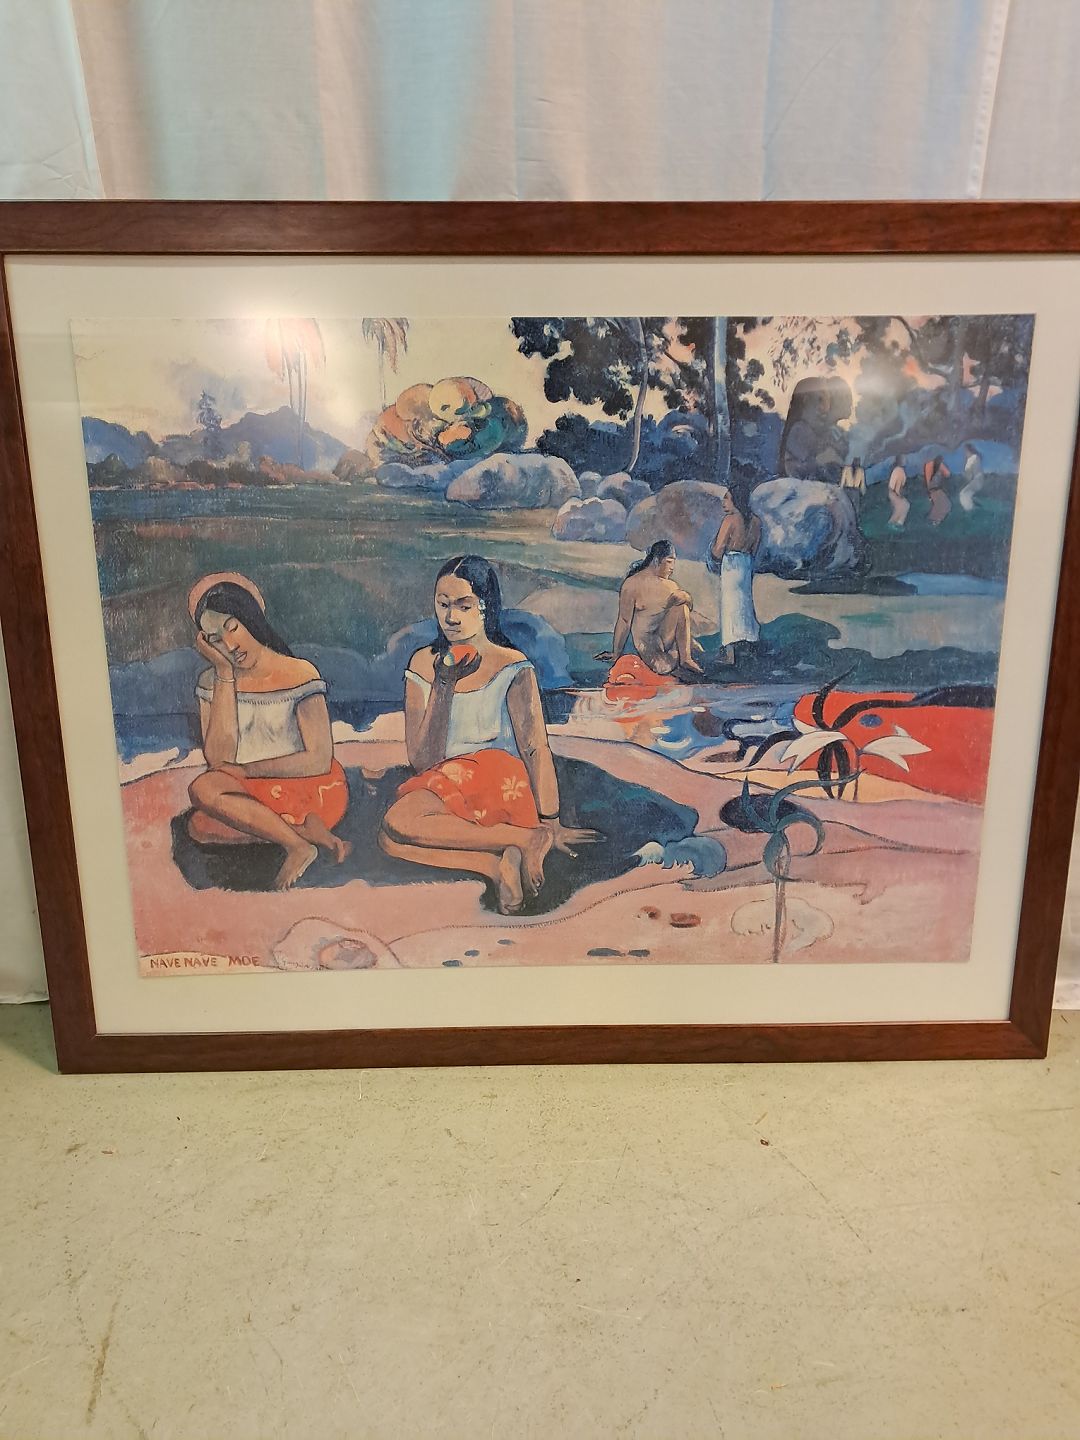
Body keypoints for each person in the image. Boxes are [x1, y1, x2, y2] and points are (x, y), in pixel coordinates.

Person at [379, 556, 598, 915]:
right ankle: (495, 863)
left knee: (396, 823)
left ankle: (527, 835)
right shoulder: (422, 663)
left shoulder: (511, 664)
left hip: (499, 778)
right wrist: (443, 687)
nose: (451, 617)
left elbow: (535, 748)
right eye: (443, 604)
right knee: (389, 840)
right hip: (445, 782)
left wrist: (551, 819)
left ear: (486, 607)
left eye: (464, 606)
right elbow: (422, 761)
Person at [187, 575, 349, 890]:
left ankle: (297, 845)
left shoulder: (300, 673)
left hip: (306, 785)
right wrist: (224, 674)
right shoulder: (211, 681)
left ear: (251, 618)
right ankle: (305, 835)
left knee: (206, 804)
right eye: (216, 639)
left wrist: (248, 770)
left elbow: (319, 759)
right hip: (249, 790)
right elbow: (219, 760)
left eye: (233, 628)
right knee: (201, 825)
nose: (230, 646)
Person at [595, 540, 704, 680]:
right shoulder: (632, 584)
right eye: (669, 562)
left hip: (666, 640)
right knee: (665, 666)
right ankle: (681, 657)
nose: (672, 567)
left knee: (681, 606)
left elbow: (687, 609)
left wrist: (686, 597)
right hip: (651, 648)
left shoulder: (671, 585)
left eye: (673, 562)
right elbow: (624, 621)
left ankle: (686, 659)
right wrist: (616, 653)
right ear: (656, 561)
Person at [708, 490, 761, 666]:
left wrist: (712, 553)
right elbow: (754, 549)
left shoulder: (730, 520)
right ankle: (749, 645)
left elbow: (718, 550)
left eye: (727, 498)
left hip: (731, 564)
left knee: (730, 607)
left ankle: (730, 655)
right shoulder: (756, 521)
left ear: (736, 500)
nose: (723, 502)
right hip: (746, 563)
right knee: (745, 605)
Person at [924, 454, 952, 525]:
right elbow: (947, 473)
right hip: (935, 489)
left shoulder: (929, 463)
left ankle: (933, 522)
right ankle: (932, 522)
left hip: (934, 489)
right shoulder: (935, 463)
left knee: (943, 506)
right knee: (945, 505)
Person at [959, 443, 985, 512]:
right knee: (967, 494)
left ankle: (970, 509)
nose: (964, 453)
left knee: (963, 494)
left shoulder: (972, 458)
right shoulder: (975, 457)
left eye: (965, 451)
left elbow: (969, 475)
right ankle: (976, 506)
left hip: (977, 480)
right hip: (979, 480)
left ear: (968, 450)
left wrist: (965, 473)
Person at [887, 455, 910, 528]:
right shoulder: (897, 470)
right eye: (904, 459)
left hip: (897, 493)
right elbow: (891, 486)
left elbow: (901, 486)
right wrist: (896, 495)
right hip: (893, 493)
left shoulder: (901, 471)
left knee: (906, 505)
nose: (905, 461)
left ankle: (899, 523)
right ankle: (891, 523)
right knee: (901, 506)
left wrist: (901, 494)